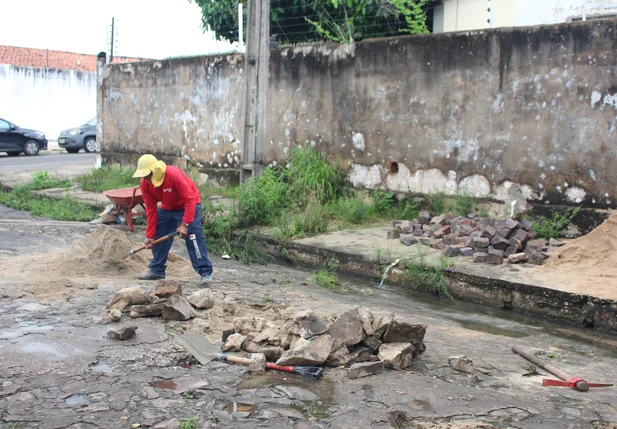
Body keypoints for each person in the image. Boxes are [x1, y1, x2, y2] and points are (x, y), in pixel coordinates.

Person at [132, 154, 213, 284]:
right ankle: (157, 270)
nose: (145, 178)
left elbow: (190, 199)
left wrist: (185, 223)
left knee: (193, 236)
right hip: (168, 207)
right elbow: (151, 210)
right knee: (158, 234)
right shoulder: (145, 184)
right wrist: (150, 235)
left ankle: (205, 272)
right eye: (143, 176)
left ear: (155, 171)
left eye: (147, 175)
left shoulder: (173, 175)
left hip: (189, 204)